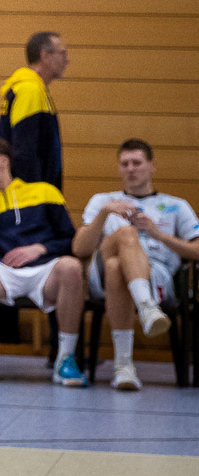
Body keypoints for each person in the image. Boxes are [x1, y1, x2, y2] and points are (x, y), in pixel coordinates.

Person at [0, 137, 87, 386]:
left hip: (46, 271)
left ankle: (66, 359)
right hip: (4, 273)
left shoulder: (44, 191)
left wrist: (39, 248)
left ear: (3, 161)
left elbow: (70, 240)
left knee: (71, 267)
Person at [74, 139, 198, 392]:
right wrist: (104, 214)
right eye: (125, 163)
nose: (131, 169)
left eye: (137, 163)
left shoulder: (176, 205)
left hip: (157, 275)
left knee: (116, 268)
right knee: (126, 234)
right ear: (119, 168)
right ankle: (147, 308)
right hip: (101, 275)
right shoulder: (103, 201)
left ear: (151, 166)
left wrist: (158, 235)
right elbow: (79, 249)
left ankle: (124, 366)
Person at [0, 31, 66, 190]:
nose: (66, 60)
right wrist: (32, 200)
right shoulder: (30, 90)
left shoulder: (36, 89)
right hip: (30, 196)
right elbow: (24, 151)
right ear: (45, 56)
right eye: (62, 53)